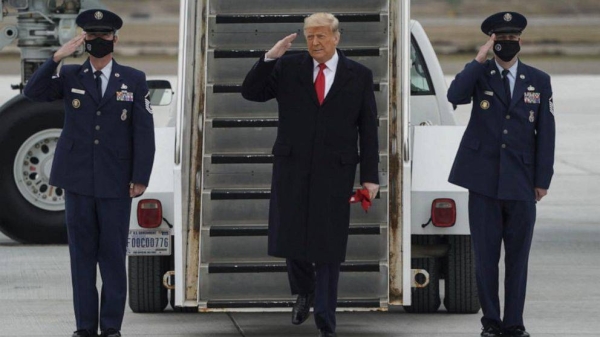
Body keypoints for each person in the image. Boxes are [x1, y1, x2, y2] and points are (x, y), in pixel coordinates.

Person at [241, 12, 379, 337]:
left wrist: (370, 177)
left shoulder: (358, 75)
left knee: (328, 248)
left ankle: (326, 323)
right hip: (293, 167)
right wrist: (270, 57)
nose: (314, 42)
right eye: (309, 36)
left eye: (320, 36)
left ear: (336, 37)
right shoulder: (289, 67)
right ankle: (305, 289)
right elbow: (251, 91)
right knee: (290, 237)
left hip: (336, 171)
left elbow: (368, 129)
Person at [23, 9, 155, 337]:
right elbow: (33, 92)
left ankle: (111, 328)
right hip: (78, 181)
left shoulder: (134, 79)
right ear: (83, 39)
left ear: (115, 38)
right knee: (81, 261)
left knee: (112, 259)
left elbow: (144, 133)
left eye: (104, 35)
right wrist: (56, 57)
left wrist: (140, 177)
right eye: (91, 36)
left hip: (116, 183)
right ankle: (84, 329)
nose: (99, 41)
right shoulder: (70, 76)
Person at [447, 11, 555, 337]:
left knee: (518, 260)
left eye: (512, 38)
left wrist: (541, 180)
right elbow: (454, 96)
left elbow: (546, 133)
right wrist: (478, 59)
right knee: (485, 260)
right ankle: (491, 323)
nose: (507, 43)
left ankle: (514, 324)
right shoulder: (481, 75)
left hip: (521, 183)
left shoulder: (539, 80)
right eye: (500, 39)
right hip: (483, 182)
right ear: (491, 41)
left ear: (520, 40)